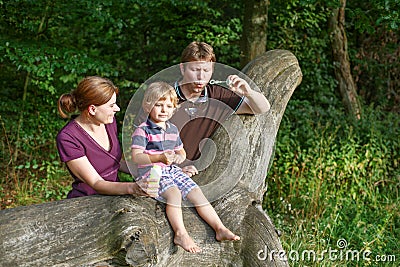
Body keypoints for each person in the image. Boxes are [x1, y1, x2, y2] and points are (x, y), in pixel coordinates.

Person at [131, 82, 240, 253]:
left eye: (168, 106)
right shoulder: (143, 130)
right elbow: (136, 156)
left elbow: (181, 152)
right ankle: (180, 233)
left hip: (172, 171)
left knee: (196, 191)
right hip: (152, 173)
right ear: (147, 106)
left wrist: (179, 158)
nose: (163, 109)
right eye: (158, 105)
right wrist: (159, 157)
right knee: (174, 193)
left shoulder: (172, 129)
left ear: (174, 109)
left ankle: (219, 228)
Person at [170, 41, 271, 176]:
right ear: (182, 68)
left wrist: (248, 92)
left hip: (197, 175)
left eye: (206, 71)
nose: (201, 77)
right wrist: (174, 170)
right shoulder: (163, 96)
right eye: (195, 70)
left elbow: (262, 108)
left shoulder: (218, 96)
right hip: (161, 173)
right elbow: (143, 146)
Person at [56, 76, 158, 198]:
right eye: (111, 105)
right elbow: (96, 182)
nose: (117, 109)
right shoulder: (68, 138)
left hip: (115, 196)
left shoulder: (108, 122)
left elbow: (114, 162)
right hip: (86, 202)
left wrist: (152, 170)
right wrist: (133, 187)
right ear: (92, 109)